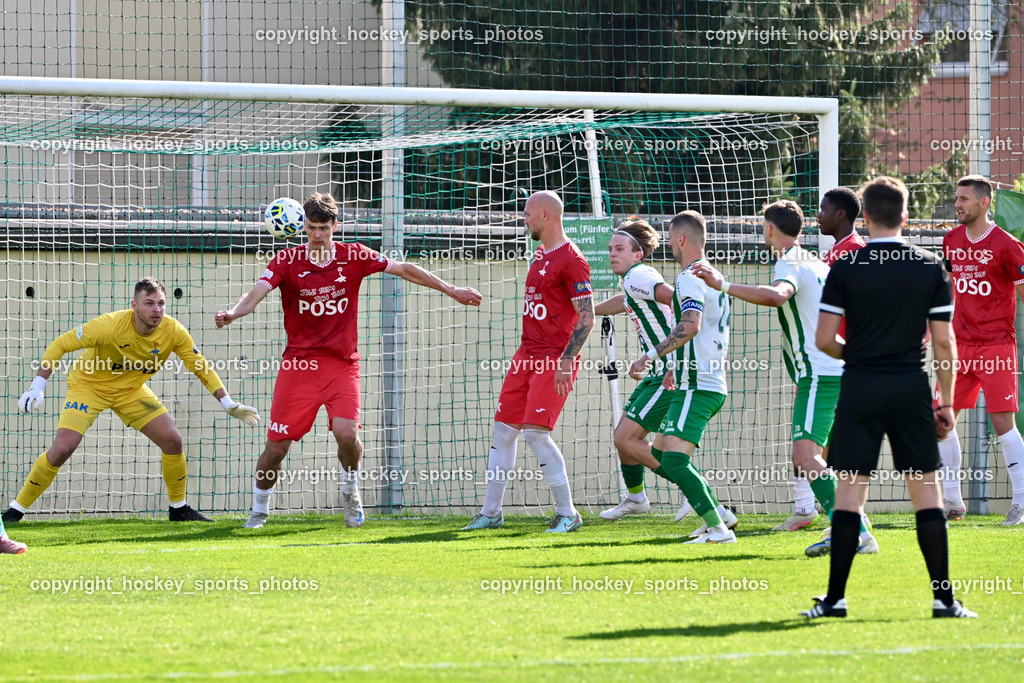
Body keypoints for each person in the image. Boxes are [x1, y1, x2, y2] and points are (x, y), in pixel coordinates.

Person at [216, 193, 482, 529]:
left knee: (346, 433)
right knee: (275, 449)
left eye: (323, 228)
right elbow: (256, 291)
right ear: (303, 227)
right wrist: (234, 313)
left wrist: (452, 289)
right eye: (311, 228)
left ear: (334, 227)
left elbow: (404, 269)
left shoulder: (353, 255)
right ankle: (259, 509)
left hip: (342, 365)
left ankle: (351, 490)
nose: (317, 234)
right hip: (299, 367)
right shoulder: (287, 260)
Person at [802, 176, 975, 619]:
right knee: (928, 497)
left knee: (849, 496)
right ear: (905, 216)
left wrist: (857, 356)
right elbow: (944, 344)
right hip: (910, 389)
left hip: (860, 388)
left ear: (867, 216)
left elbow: (823, 340)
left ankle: (835, 600)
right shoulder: (928, 267)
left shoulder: (845, 266)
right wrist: (948, 403)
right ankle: (944, 600)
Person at [693, 201, 877, 554]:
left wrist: (723, 283)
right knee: (811, 456)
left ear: (770, 230)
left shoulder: (790, 261)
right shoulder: (815, 261)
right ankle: (857, 530)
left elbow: (778, 296)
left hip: (821, 375)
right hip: (833, 372)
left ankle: (853, 532)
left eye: (763, 227)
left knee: (805, 457)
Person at [3, 277, 257, 524]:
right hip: (88, 387)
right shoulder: (109, 325)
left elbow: (200, 367)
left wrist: (227, 403)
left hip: (131, 391)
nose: (156, 309)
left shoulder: (173, 331)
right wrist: (38, 385)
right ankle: (16, 510)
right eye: (149, 303)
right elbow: (60, 344)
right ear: (134, 305)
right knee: (62, 449)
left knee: (173, 440)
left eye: (161, 303)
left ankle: (178, 509)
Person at [463, 191, 594, 533]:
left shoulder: (572, 259)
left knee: (536, 435)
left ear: (546, 215)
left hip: (553, 358)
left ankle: (568, 513)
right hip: (525, 356)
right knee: (503, 431)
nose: (524, 220)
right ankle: (490, 513)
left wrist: (567, 360)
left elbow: (587, 317)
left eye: (527, 214)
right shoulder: (539, 254)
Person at [628, 210, 738, 544]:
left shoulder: (690, 276)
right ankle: (717, 517)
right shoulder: (713, 276)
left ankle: (719, 529)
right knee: (662, 455)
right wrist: (675, 365)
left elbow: (691, 325)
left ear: (679, 239)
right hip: (698, 378)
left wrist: (650, 355)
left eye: (670, 239)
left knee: (674, 462)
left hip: (699, 383)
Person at [937, 175, 1024, 525]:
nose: (957, 204)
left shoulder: (1008, 245)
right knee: (940, 421)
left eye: (963, 199)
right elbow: (947, 289)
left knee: (1002, 422)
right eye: (956, 198)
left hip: (997, 345)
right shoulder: (951, 239)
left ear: (984, 202)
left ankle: (1019, 502)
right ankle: (952, 502)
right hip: (959, 345)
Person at [594, 219, 690, 521]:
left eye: (619, 248)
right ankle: (636, 500)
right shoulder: (635, 282)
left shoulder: (639, 275)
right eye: (610, 249)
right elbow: (626, 302)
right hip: (656, 373)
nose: (612, 253)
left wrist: (675, 356)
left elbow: (679, 300)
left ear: (638, 254)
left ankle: (695, 492)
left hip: (667, 372)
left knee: (625, 439)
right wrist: (586, 310)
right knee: (623, 436)